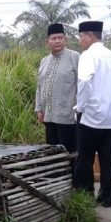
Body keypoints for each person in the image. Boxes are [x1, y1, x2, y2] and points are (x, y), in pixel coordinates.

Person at [74, 21, 111, 208]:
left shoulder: (88, 55)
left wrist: (80, 106)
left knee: (85, 158)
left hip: (92, 117)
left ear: (89, 35)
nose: (80, 41)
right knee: (108, 159)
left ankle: (86, 196)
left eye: (81, 37)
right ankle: (106, 198)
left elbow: (85, 81)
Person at [35, 23, 79, 153]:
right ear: (47, 41)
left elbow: (83, 85)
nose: (57, 41)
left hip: (68, 117)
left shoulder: (75, 57)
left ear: (65, 39)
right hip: (48, 117)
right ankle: (56, 174)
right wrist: (38, 108)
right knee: (53, 153)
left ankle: (72, 174)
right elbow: (39, 86)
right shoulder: (44, 61)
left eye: (60, 38)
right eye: (53, 38)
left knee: (69, 152)